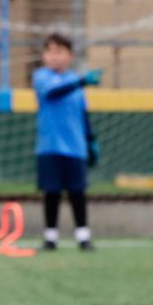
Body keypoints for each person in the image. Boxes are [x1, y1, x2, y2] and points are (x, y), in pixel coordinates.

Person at [32, 32, 101, 251]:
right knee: (51, 192)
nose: (54, 57)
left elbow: (83, 114)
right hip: (49, 146)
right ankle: (50, 236)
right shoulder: (41, 77)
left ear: (70, 56)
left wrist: (91, 141)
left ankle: (83, 235)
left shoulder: (75, 82)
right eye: (50, 52)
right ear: (44, 56)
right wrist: (81, 82)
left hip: (75, 147)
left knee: (77, 192)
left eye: (60, 52)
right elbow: (52, 94)